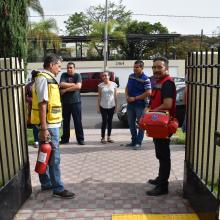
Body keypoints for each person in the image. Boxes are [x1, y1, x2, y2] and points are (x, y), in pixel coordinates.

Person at [31, 54, 75, 199]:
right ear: (51, 64)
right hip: (48, 126)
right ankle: (58, 188)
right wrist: (44, 129)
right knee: (54, 158)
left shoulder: (47, 78)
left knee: (45, 154)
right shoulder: (44, 78)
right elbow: (42, 104)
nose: (59, 69)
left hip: (50, 123)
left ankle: (46, 183)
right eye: (59, 66)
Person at [146, 56, 176, 196]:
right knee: (160, 153)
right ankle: (160, 178)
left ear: (166, 69)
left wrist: (150, 112)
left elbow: (168, 104)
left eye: (159, 67)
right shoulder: (159, 81)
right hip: (157, 124)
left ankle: (163, 186)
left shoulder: (167, 83)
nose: (156, 70)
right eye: (154, 67)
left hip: (163, 125)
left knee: (163, 155)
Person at [125, 60, 151, 150]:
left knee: (141, 124)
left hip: (140, 105)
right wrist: (127, 96)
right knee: (131, 124)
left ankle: (138, 142)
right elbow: (127, 87)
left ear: (142, 68)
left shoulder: (146, 79)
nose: (135, 69)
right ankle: (133, 141)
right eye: (134, 67)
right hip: (130, 104)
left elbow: (148, 92)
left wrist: (135, 98)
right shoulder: (131, 76)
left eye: (137, 67)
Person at [59, 62, 85, 145]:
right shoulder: (63, 75)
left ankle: (80, 139)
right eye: (68, 68)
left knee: (77, 121)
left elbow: (78, 87)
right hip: (65, 103)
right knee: (65, 122)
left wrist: (65, 90)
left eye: (71, 68)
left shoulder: (78, 75)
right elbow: (61, 84)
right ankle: (65, 139)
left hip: (76, 102)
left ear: (74, 68)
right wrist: (72, 84)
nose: (69, 69)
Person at [97, 71, 118, 144]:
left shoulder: (114, 84)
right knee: (104, 121)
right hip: (103, 106)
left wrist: (116, 106)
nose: (105, 77)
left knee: (110, 122)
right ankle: (102, 138)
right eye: (103, 76)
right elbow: (99, 96)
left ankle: (109, 137)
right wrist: (98, 107)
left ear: (109, 76)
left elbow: (115, 96)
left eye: (106, 75)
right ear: (102, 77)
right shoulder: (100, 86)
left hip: (112, 105)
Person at [25, 70, 39, 148]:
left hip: (42, 108)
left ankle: (44, 140)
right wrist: (32, 100)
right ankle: (36, 141)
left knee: (44, 125)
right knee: (35, 125)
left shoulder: (42, 84)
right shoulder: (29, 86)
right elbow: (25, 96)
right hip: (33, 109)